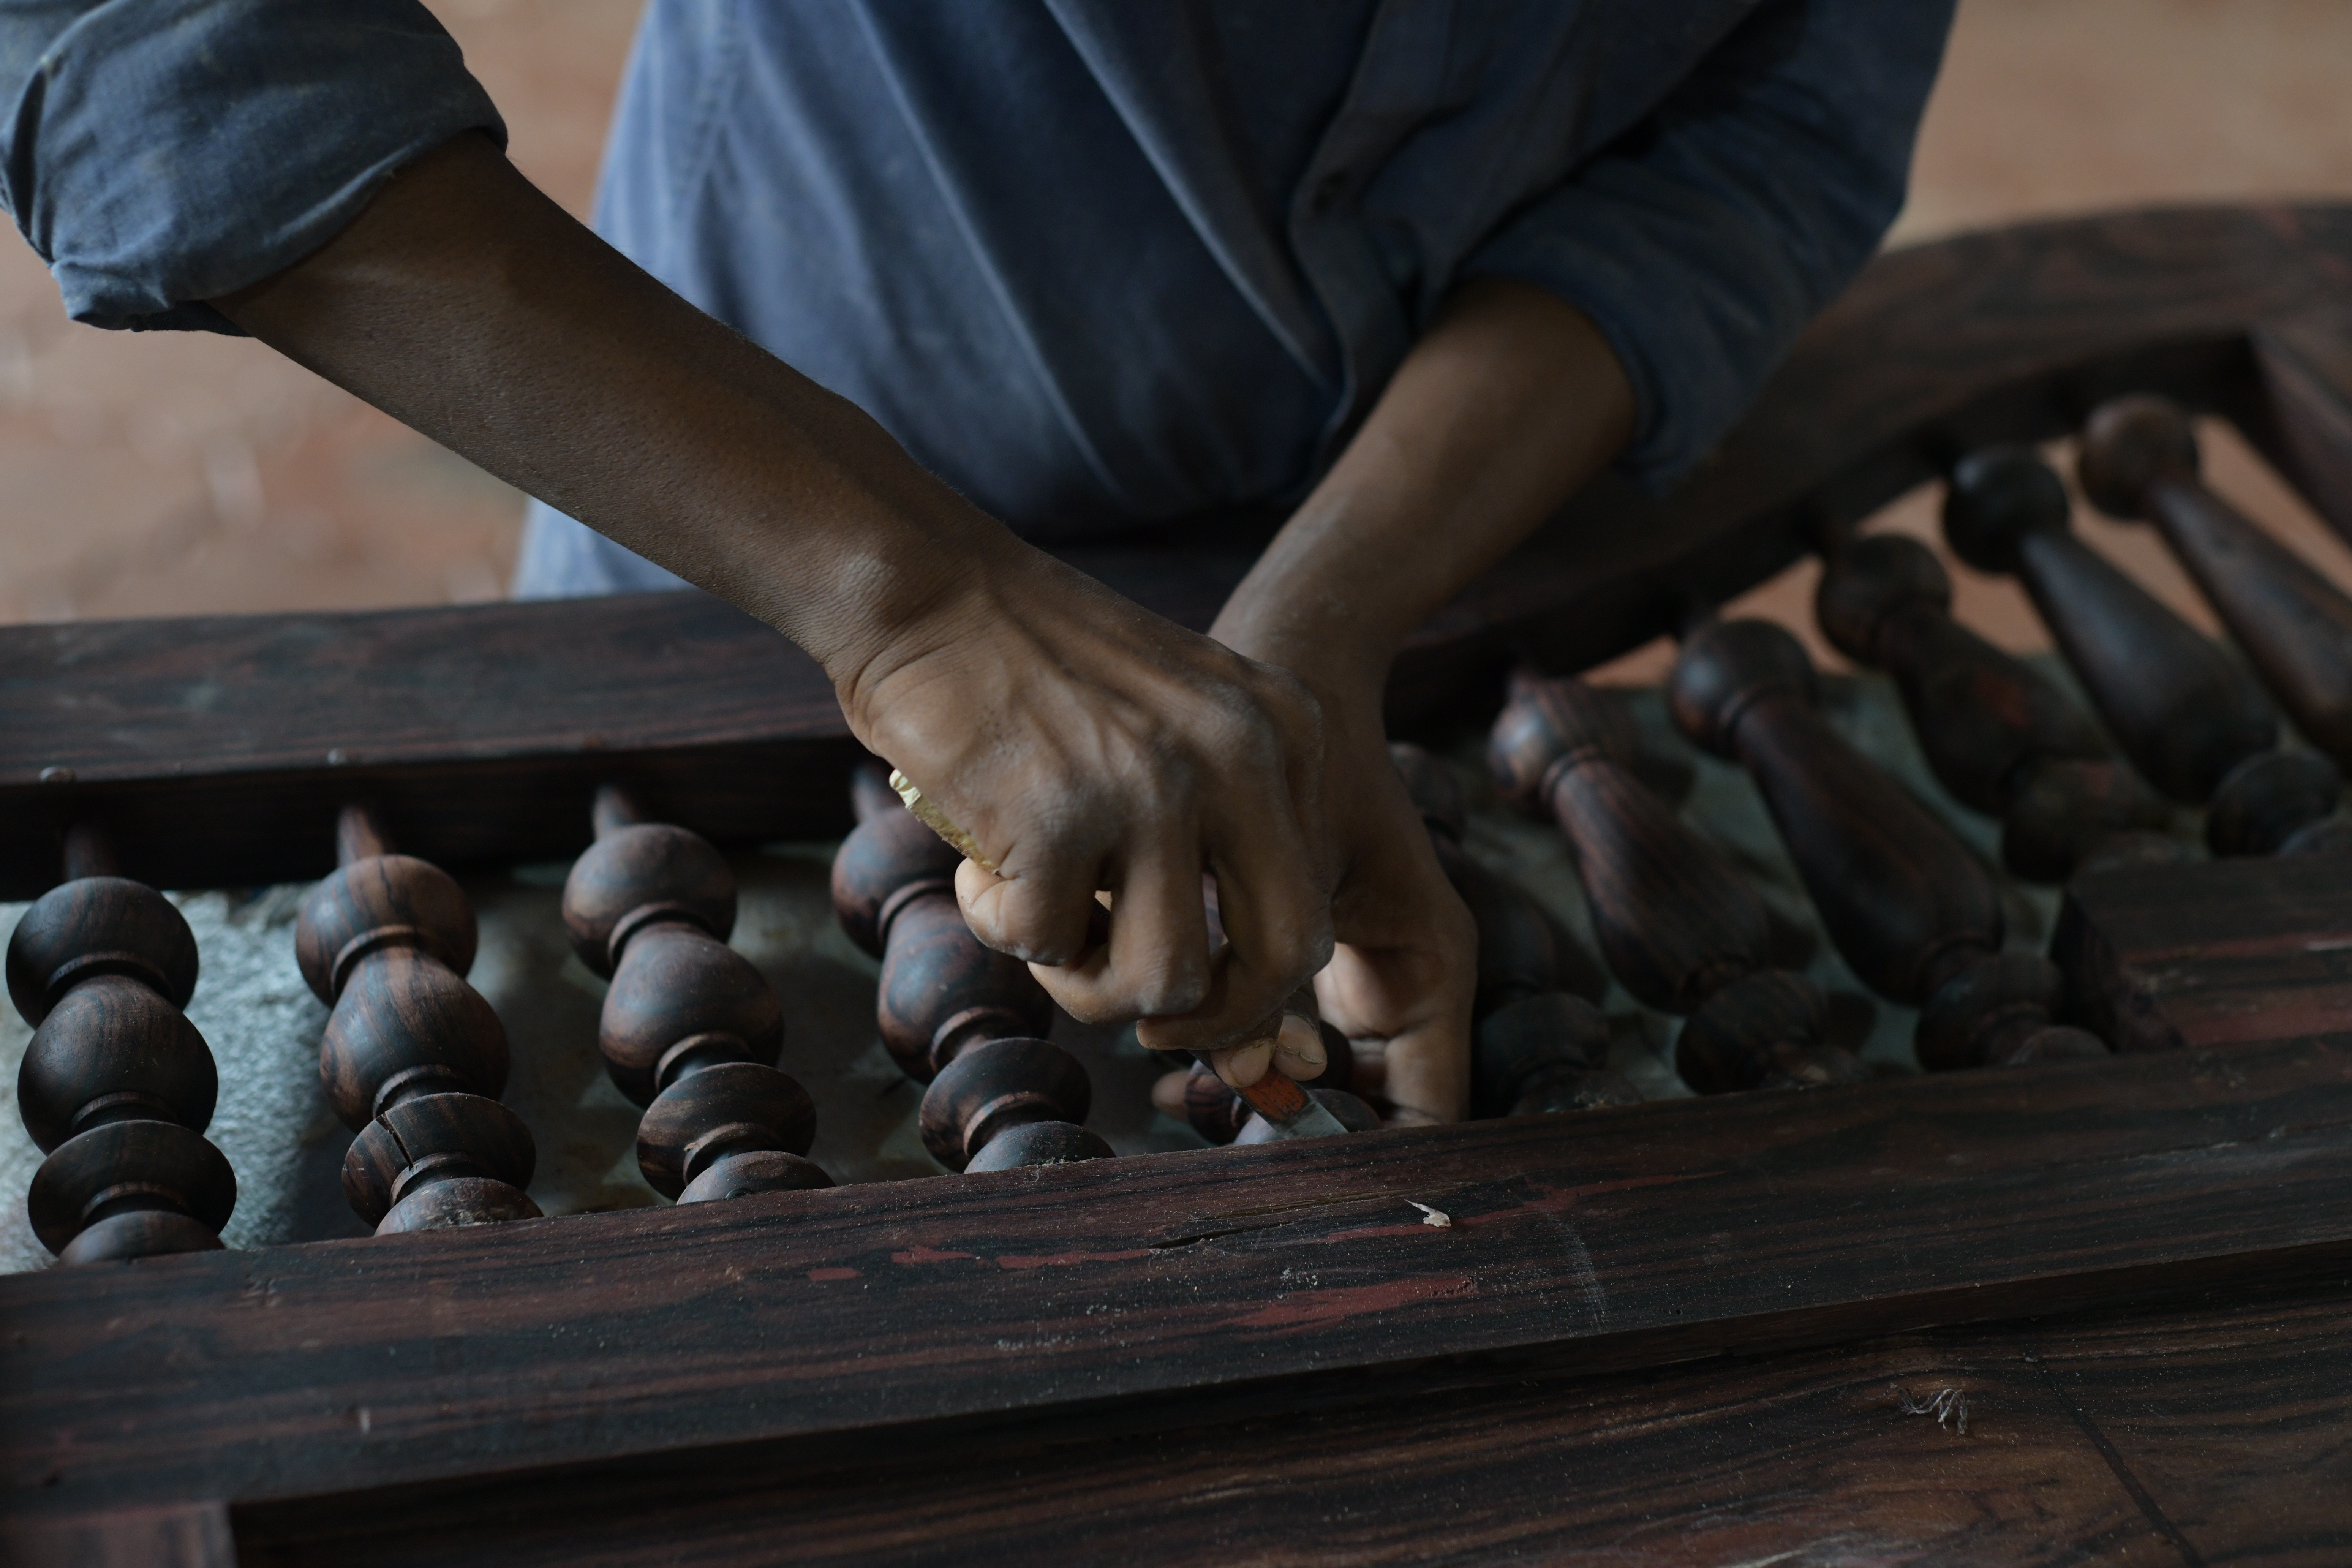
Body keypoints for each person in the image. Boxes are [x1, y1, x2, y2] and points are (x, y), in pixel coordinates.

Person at [0, 1, 1952, 1125]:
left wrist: (1322, 620)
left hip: (1417, 585)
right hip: (727, 566)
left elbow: (1769, 135)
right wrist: (909, 596)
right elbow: (150, 35)